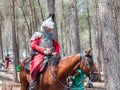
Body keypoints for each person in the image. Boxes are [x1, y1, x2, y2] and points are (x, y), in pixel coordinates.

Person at [29, 17, 60, 90]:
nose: (51, 29)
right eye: (50, 28)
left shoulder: (51, 36)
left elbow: (57, 45)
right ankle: (33, 83)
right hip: (40, 54)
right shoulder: (38, 34)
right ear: (46, 27)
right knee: (36, 65)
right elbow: (33, 45)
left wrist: (56, 52)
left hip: (51, 53)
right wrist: (43, 51)